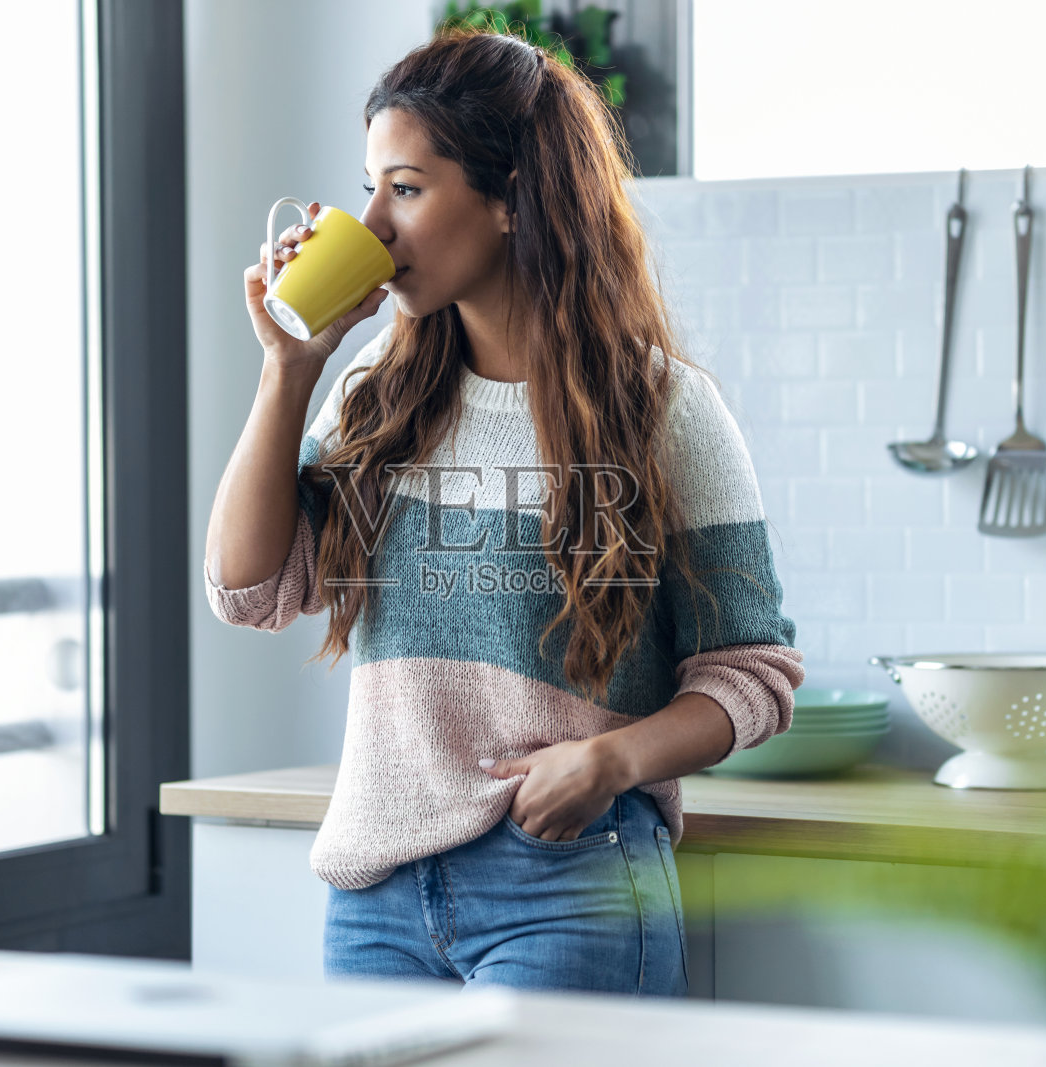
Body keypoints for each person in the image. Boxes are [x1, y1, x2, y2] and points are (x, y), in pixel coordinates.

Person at [205, 28, 803, 997]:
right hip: (376, 897)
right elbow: (250, 588)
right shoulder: (371, 390)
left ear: (510, 197)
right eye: (369, 186)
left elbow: (754, 672)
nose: (372, 224)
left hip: (567, 883)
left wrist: (610, 758)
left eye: (405, 187)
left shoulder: (663, 408)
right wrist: (286, 372)